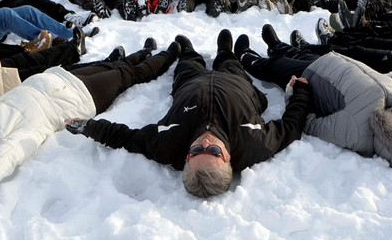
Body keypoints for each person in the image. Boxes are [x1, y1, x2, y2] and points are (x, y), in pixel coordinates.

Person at [0, 38, 180, 204]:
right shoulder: (15, 136)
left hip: (57, 78)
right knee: (128, 76)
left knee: (110, 65)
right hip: (82, 97)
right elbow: (6, 158)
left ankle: (142, 52)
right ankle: (168, 55)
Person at [63, 29, 312, 198]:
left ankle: (189, 51)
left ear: (186, 158)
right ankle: (226, 51)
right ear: (227, 158)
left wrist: (88, 127)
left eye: (195, 152)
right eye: (212, 151)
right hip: (236, 82)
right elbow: (291, 127)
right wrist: (300, 92)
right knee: (230, 62)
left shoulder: (168, 145)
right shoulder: (254, 143)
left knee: (188, 63)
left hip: (189, 83)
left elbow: (125, 137)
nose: (204, 143)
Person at [234, 24, 392, 168]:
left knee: (275, 66)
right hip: (335, 62)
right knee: (301, 54)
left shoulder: (357, 131)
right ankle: (278, 45)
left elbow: (311, 125)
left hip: (312, 77)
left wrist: (296, 94)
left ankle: (247, 57)